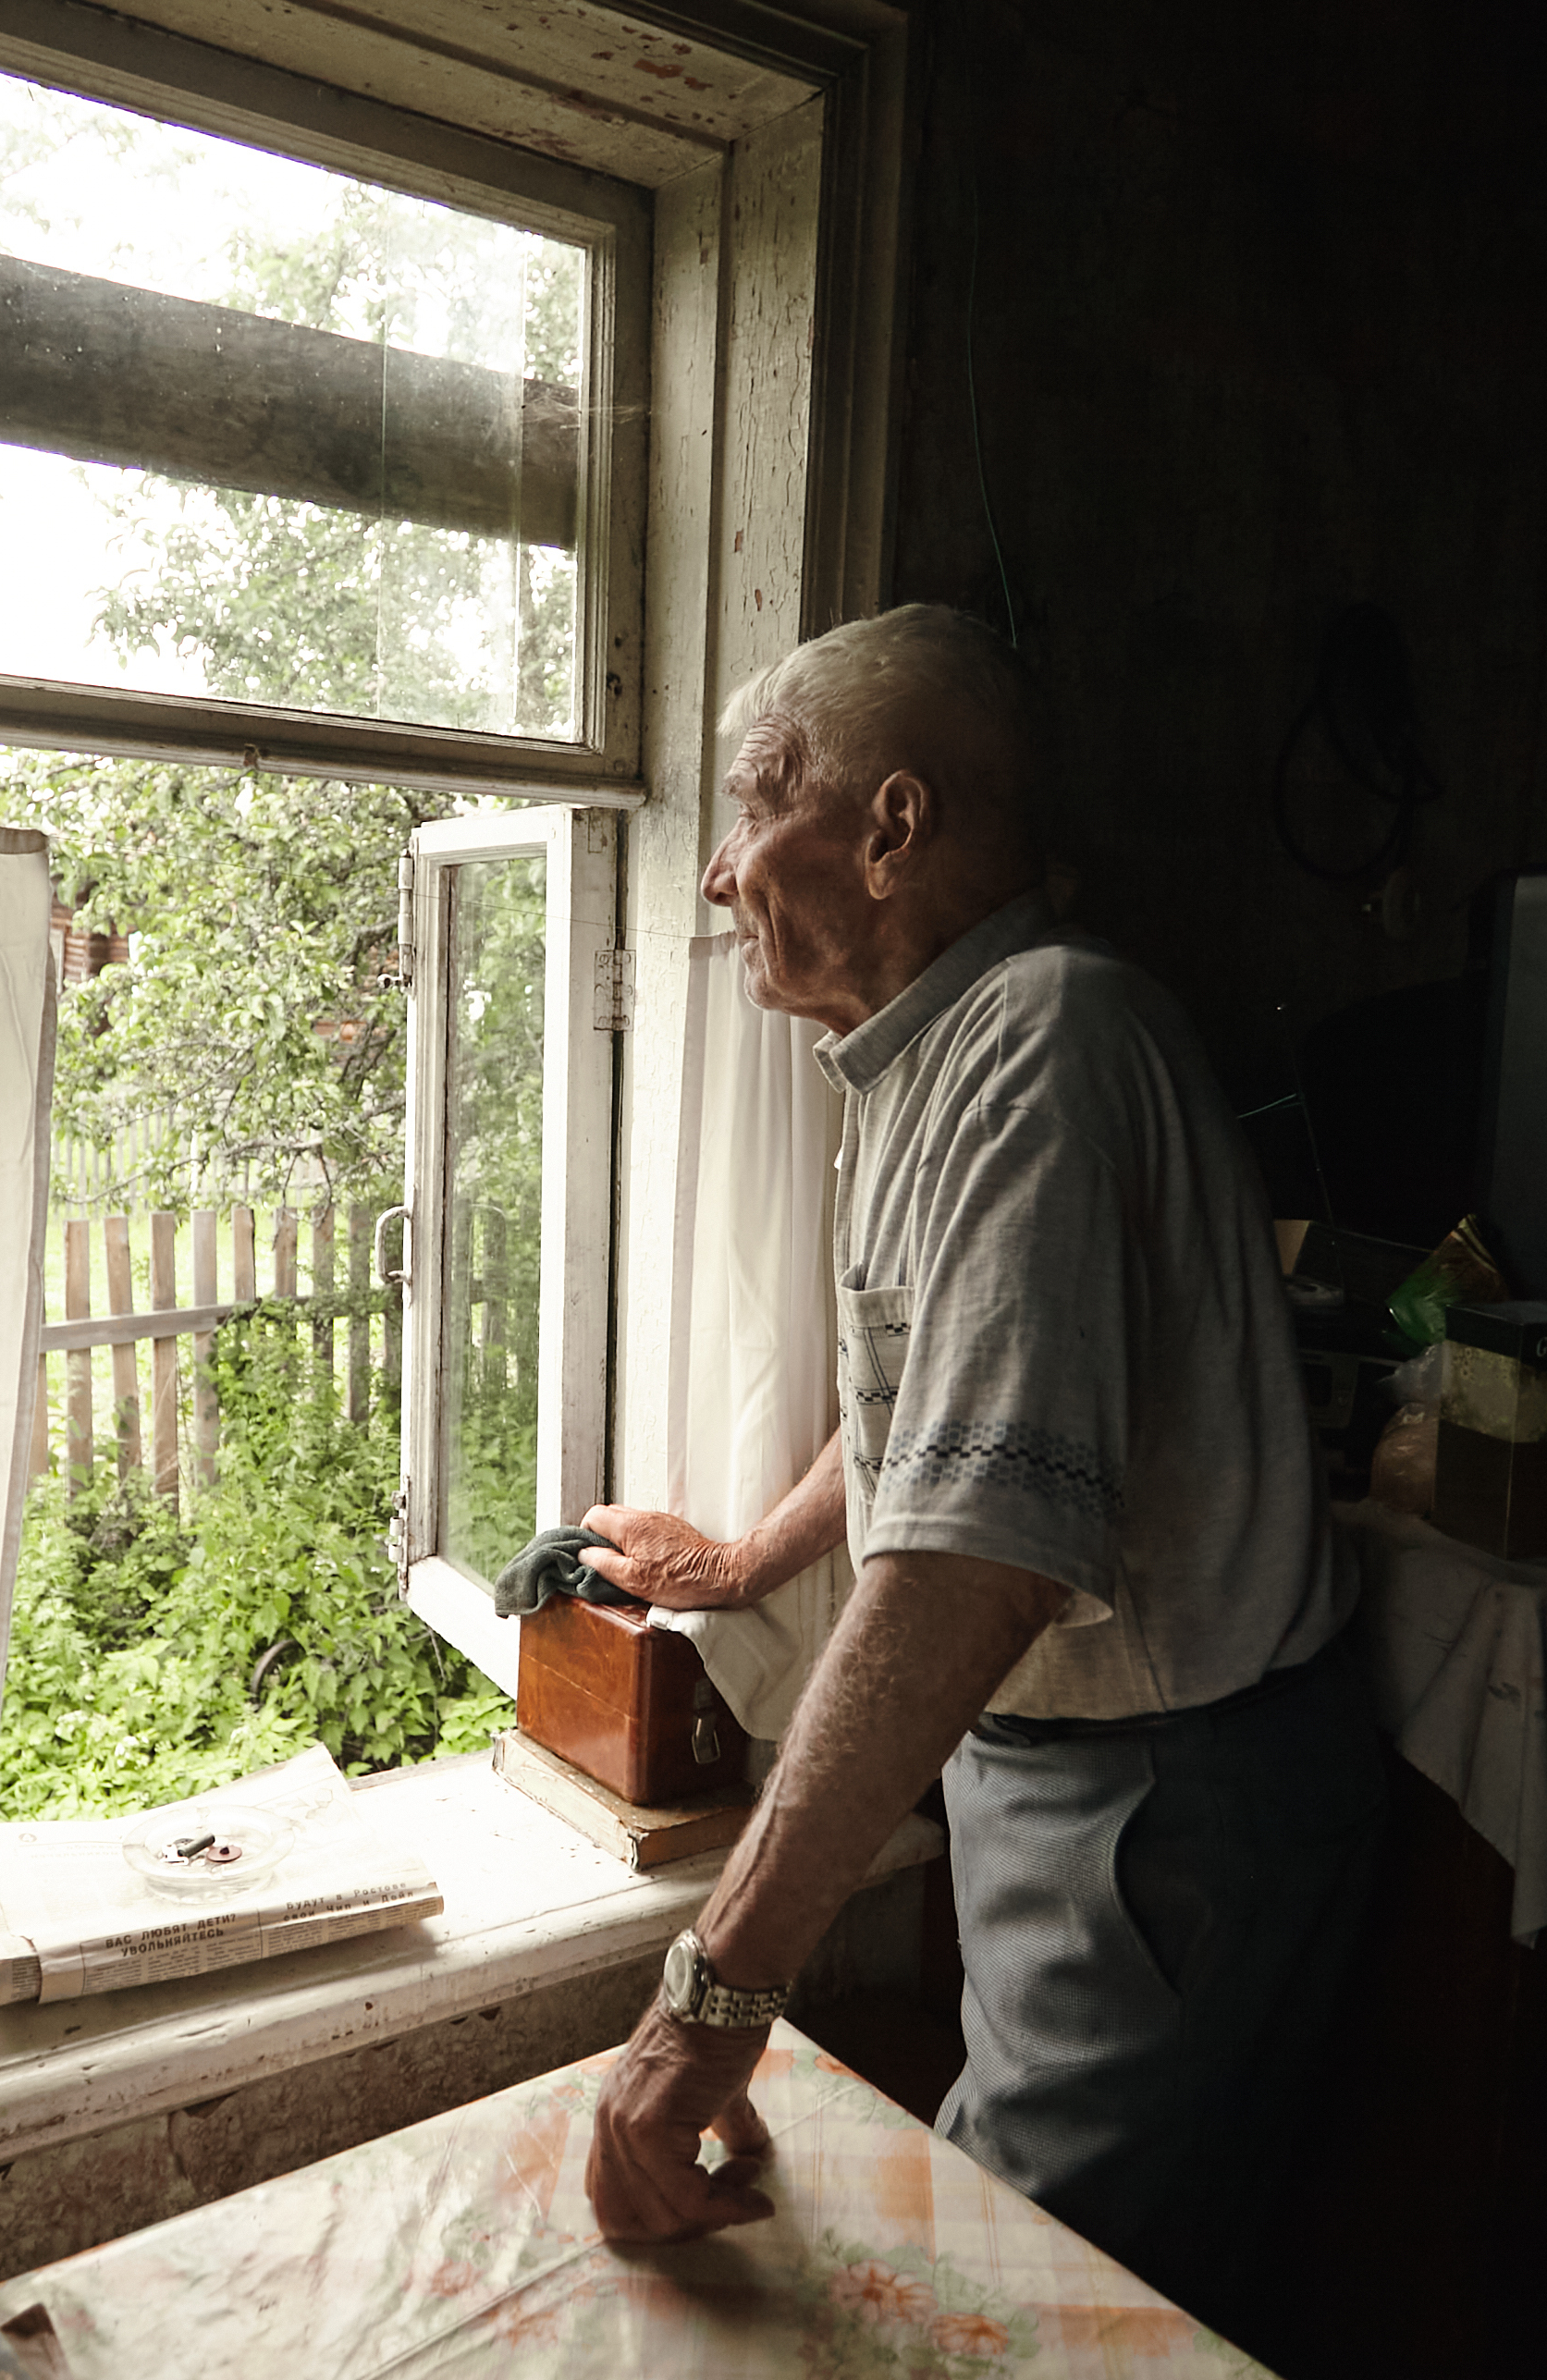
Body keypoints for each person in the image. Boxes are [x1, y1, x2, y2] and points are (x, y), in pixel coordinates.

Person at [575, 605, 1381, 2316]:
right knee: (1037, 2275)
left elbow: (970, 1552)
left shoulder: (1044, 1043)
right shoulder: (934, 1057)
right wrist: (743, 1565)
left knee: (1040, 2309)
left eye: (745, 810)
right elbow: (922, 1418)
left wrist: (708, 2000)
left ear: (890, 827)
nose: (716, 875)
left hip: (1166, 1806)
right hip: (1066, 1785)